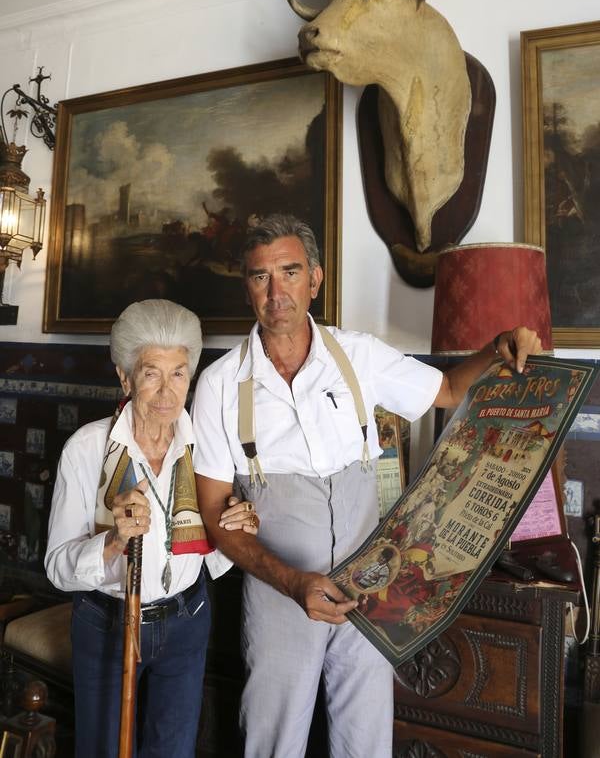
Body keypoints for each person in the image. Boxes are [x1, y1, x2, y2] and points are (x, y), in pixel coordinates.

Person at [191, 214, 542, 758]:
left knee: (366, 739)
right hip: (279, 594)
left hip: (369, 586)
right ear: (247, 287)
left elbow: (447, 388)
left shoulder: (357, 355)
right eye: (260, 277)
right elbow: (214, 512)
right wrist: (291, 583)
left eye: (289, 272)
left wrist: (496, 348)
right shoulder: (216, 386)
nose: (276, 291)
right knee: (272, 740)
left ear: (316, 279)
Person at [45, 299, 260, 758]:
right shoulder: (86, 449)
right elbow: (57, 568)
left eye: (179, 373)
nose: (167, 391)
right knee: (104, 749)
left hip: (188, 617)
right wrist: (113, 541)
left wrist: (240, 520)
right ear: (125, 377)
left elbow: (220, 540)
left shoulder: (206, 445)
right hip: (108, 622)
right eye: (150, 373)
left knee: (174, 750)